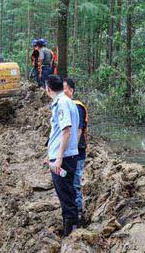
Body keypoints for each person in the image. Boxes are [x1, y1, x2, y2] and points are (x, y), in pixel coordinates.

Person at [44, 75, 80, 236]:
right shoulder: (67, 102)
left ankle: (71, 232)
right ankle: (71, 227)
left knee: (65, 193)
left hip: (64, 158)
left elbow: (66, 131)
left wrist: (58, 158)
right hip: (64, 156)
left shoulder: (62, 104)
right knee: (66, 192)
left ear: (48, 89)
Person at [63, 78, 88, 220]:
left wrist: (71, 150)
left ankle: (78, 214)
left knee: (75, 183)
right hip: (70, 152)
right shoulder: (66, 106)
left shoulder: (76, 107)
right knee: (68, 183)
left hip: (77, 153)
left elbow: (78, 131)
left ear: (71, 91)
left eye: (64, 89)